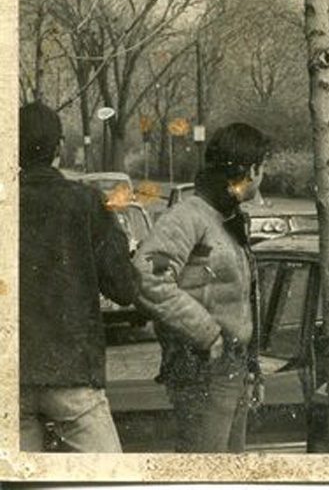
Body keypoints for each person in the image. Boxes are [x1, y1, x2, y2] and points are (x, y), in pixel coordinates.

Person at [132, 123, 270, 453]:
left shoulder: (226, 217)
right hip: (200, 372)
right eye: (262, 168)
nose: (264, 177)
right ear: (250, 170)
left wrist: (251, 366)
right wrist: (207, 333)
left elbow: (238, 300)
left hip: (228, 370)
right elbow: (148, 276)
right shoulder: (188, 217)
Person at [19, 102, 137, 452]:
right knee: (107, 477)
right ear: (59, 147)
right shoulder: (86, 202)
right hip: (72, 373)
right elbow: (124, 289)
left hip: (11, 375)